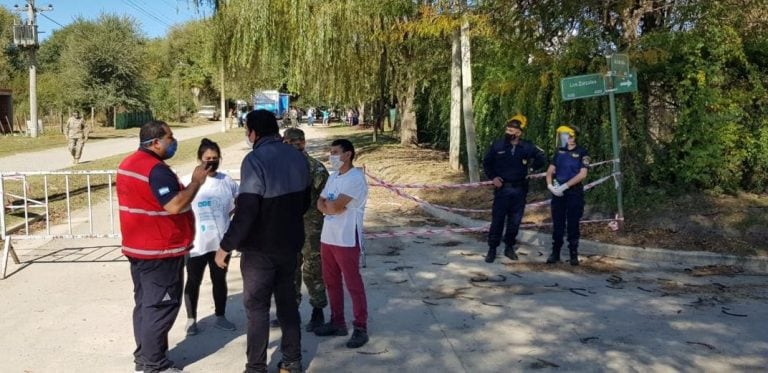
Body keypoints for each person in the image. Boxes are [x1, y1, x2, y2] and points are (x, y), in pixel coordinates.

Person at [215, 110, 310, 373]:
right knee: (287, 303)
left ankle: (256, 367)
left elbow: (247, 210)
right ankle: (292, 361)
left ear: (253, 132)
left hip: (260, 250)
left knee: (256, 308)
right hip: (290, 244)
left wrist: (225, 246)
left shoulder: (254, 160)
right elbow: (304, 202)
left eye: (247, 130)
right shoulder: (298, 157)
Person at [116, 120, 210, 373]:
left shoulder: (128, 163)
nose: (173, 141)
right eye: (170, 137)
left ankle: (145, 357)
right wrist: (196, 182)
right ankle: (155, 364)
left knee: (146, 305)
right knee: (161, 307)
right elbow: (174, 205)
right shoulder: (154, 169)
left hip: (139, 248)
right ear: (155, 142)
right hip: (160, 251)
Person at [313, 139, 370, 349]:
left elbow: (335, 206)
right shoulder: (334, 177)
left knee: (353, 284)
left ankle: (360, 327)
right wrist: (329, 207)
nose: (332, 156)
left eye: (335, 152)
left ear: (348, 154)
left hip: (346, 238)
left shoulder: (355, 178)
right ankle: (337, 322)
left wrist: (330, 207)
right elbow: (321, 202)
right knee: (331, 281)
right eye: (330, 152)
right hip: (328, 237)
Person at [182, 138, 239, 336]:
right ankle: (191, 320)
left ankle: (220, 316)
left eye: (215, 158)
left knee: (219, 280)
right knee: (193, 280)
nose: (211, 162)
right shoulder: (187, 179)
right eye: (207, 158)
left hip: (220, 243)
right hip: (196, 243)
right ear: (199, 159)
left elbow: (236, 205)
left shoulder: (227, 181)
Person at [481, 114, 546, 263]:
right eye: (507, 129)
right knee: (497, 220)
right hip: (502, 189)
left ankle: (509, 247)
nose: (508, 132)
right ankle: (492, 249)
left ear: (519, 133)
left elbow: (541, 156)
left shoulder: (527, 146)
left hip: (519, 190)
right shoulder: (497, 146)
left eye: (511, 130)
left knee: (514, 221)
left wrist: (531, 168)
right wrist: (493, 178)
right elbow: (487, 163)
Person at [282, 128, 329, 332]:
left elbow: (327, 196)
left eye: (296, 142)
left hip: (311, 227)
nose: (294, 145)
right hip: (288, 226)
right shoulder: (281, 168)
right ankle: (291, 312)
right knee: (290, 270)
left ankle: (317, 311)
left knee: (313, 269)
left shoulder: (315, 168)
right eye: (291, 142)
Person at [546, 125, 589, 266]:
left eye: (566, 135)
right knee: (558, 223)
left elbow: (582, 174)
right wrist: (550, 185)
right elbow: (550, 171)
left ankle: (573, 254)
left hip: (573, 193)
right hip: (558, 193)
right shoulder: (559, 152)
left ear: (573, 136)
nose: (563, 138)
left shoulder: (582, 152)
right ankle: (555, 252)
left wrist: (566, 186)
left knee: (573, 223)